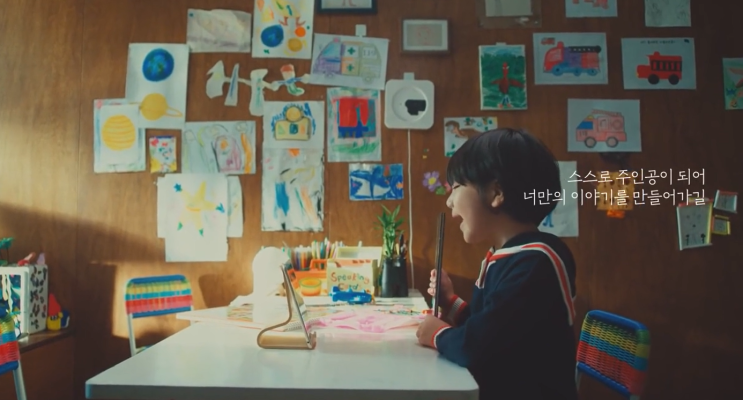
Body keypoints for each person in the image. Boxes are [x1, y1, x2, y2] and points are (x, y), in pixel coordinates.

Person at [415, 128, 578, 400]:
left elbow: (478, 347)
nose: (449, 200)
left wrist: (438, 335)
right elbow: (493, 327)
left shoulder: (536, 262)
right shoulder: (507, 256)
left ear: (496, 192)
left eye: (456, 187)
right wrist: (450, 302)